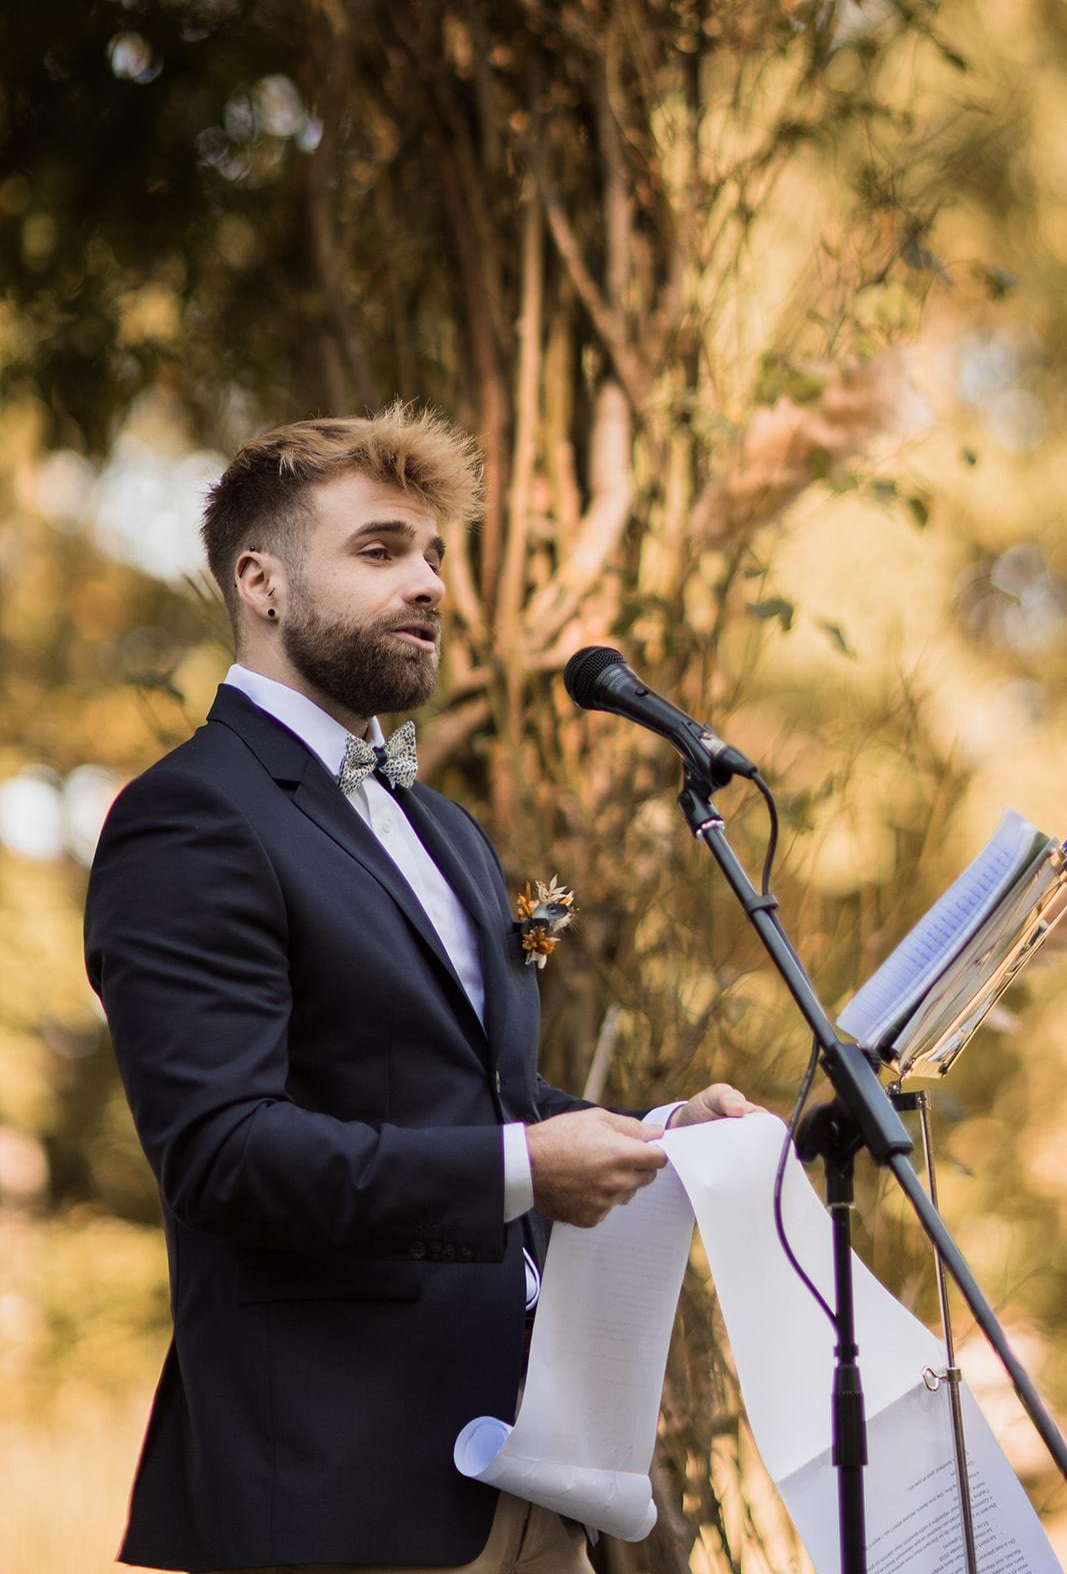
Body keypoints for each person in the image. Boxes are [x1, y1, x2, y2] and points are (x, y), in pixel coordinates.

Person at [84, 405, 759, 1574]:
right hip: (342, 1489)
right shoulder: (189, 816)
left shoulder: (436, 822)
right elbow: (221, 1151)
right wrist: (518, 1170)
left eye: (436, 555)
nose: (430, 583)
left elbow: (467, 1092)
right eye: (381, 549)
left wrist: (655, 1139)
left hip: (532, 1468)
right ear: (261, 580)